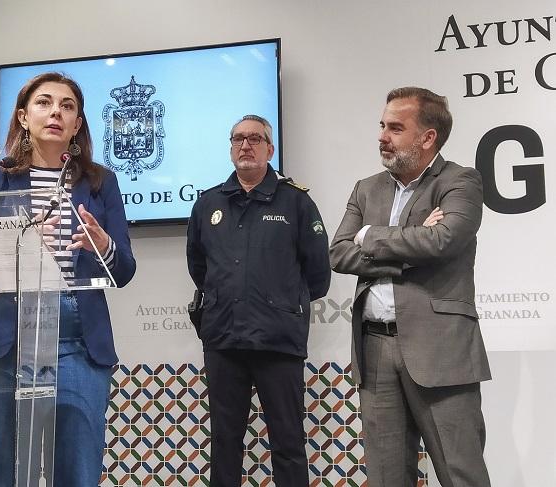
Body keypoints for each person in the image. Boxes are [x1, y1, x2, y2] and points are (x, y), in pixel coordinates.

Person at [0, 72, 136, 487]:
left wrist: (103, 245)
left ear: (77, 124)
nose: (56, 112)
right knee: (1, 468)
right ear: (24, 117)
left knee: (77, 471)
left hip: (76, 336)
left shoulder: (100, 181)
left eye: (67, 106)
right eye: (44, 103)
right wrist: (15, 242)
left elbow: (125, 269)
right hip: (7, 333)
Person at [329, 87, 491, 487]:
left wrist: (370, 237)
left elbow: (443, 241)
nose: (382, 135)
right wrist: (409, 239)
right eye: (383, 125)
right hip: (374, 348)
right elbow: (337, 254)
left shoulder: (461, 181)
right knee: (386, 477)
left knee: (460, 473)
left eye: (396, 128)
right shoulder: (366, 188)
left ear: (427, 137)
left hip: (441, 349)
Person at [186, 115, 331, 487]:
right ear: (231, 147)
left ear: (270, 148)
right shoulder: (207, 204)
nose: (245, 145)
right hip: (223, 340)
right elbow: (199, 267)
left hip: (278, 340)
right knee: (224, 442)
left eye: (255, 138)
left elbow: (318, 274)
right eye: (238, 138)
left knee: (287, 442)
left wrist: (278, 303)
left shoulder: (296, 202)